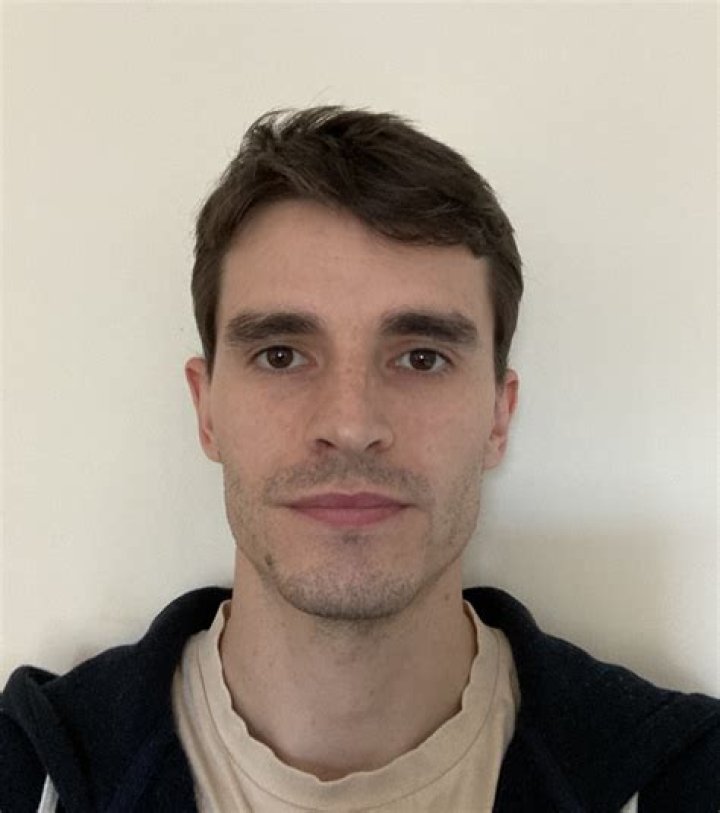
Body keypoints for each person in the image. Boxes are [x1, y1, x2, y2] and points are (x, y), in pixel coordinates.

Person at [1, 106, 718, 813]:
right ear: (206, 408)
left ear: (499, 417)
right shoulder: (24, 772)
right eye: (281, 355)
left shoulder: (688, 780)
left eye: (421, 357)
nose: (350, 425)